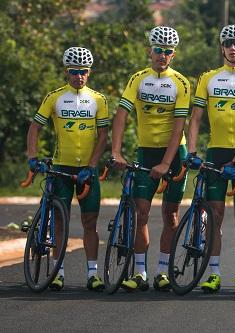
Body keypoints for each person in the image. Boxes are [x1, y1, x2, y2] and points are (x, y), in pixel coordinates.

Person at [187, 24, 235, 293]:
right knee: (215, 214)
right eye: (228, 43)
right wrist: (192, 151)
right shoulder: (208, 78)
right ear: (222, 47)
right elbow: (195, 119)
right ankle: (214, 273)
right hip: (216, 151)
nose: (233, 48)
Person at [111, 26, 190, 292]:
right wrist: (116, 151)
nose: (162, 55)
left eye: (168, 52)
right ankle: (141, 272)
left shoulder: (181, 82)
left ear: (173, 55)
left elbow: (180, 125)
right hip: (146, 151)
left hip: (174, 154)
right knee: (140, 213)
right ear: (150, 51)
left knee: (170, 213)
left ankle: (163, 271)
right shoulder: (138, 79)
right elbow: (121, 115)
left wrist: (167, 163)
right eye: (158, 50)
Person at [26, 47, 109, 291]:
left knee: (89, 221)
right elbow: (34, 127)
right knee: (60, 221)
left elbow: (103, 135)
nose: (79, 76)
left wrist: (92, 165)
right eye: (74, 71)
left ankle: (92, 274)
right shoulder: (54, 97)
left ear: (89, 72)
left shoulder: (98, 99)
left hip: (87, 169)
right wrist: (32, 157)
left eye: (83, 72)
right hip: (61, 166)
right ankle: (58, 272)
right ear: (67, 71)